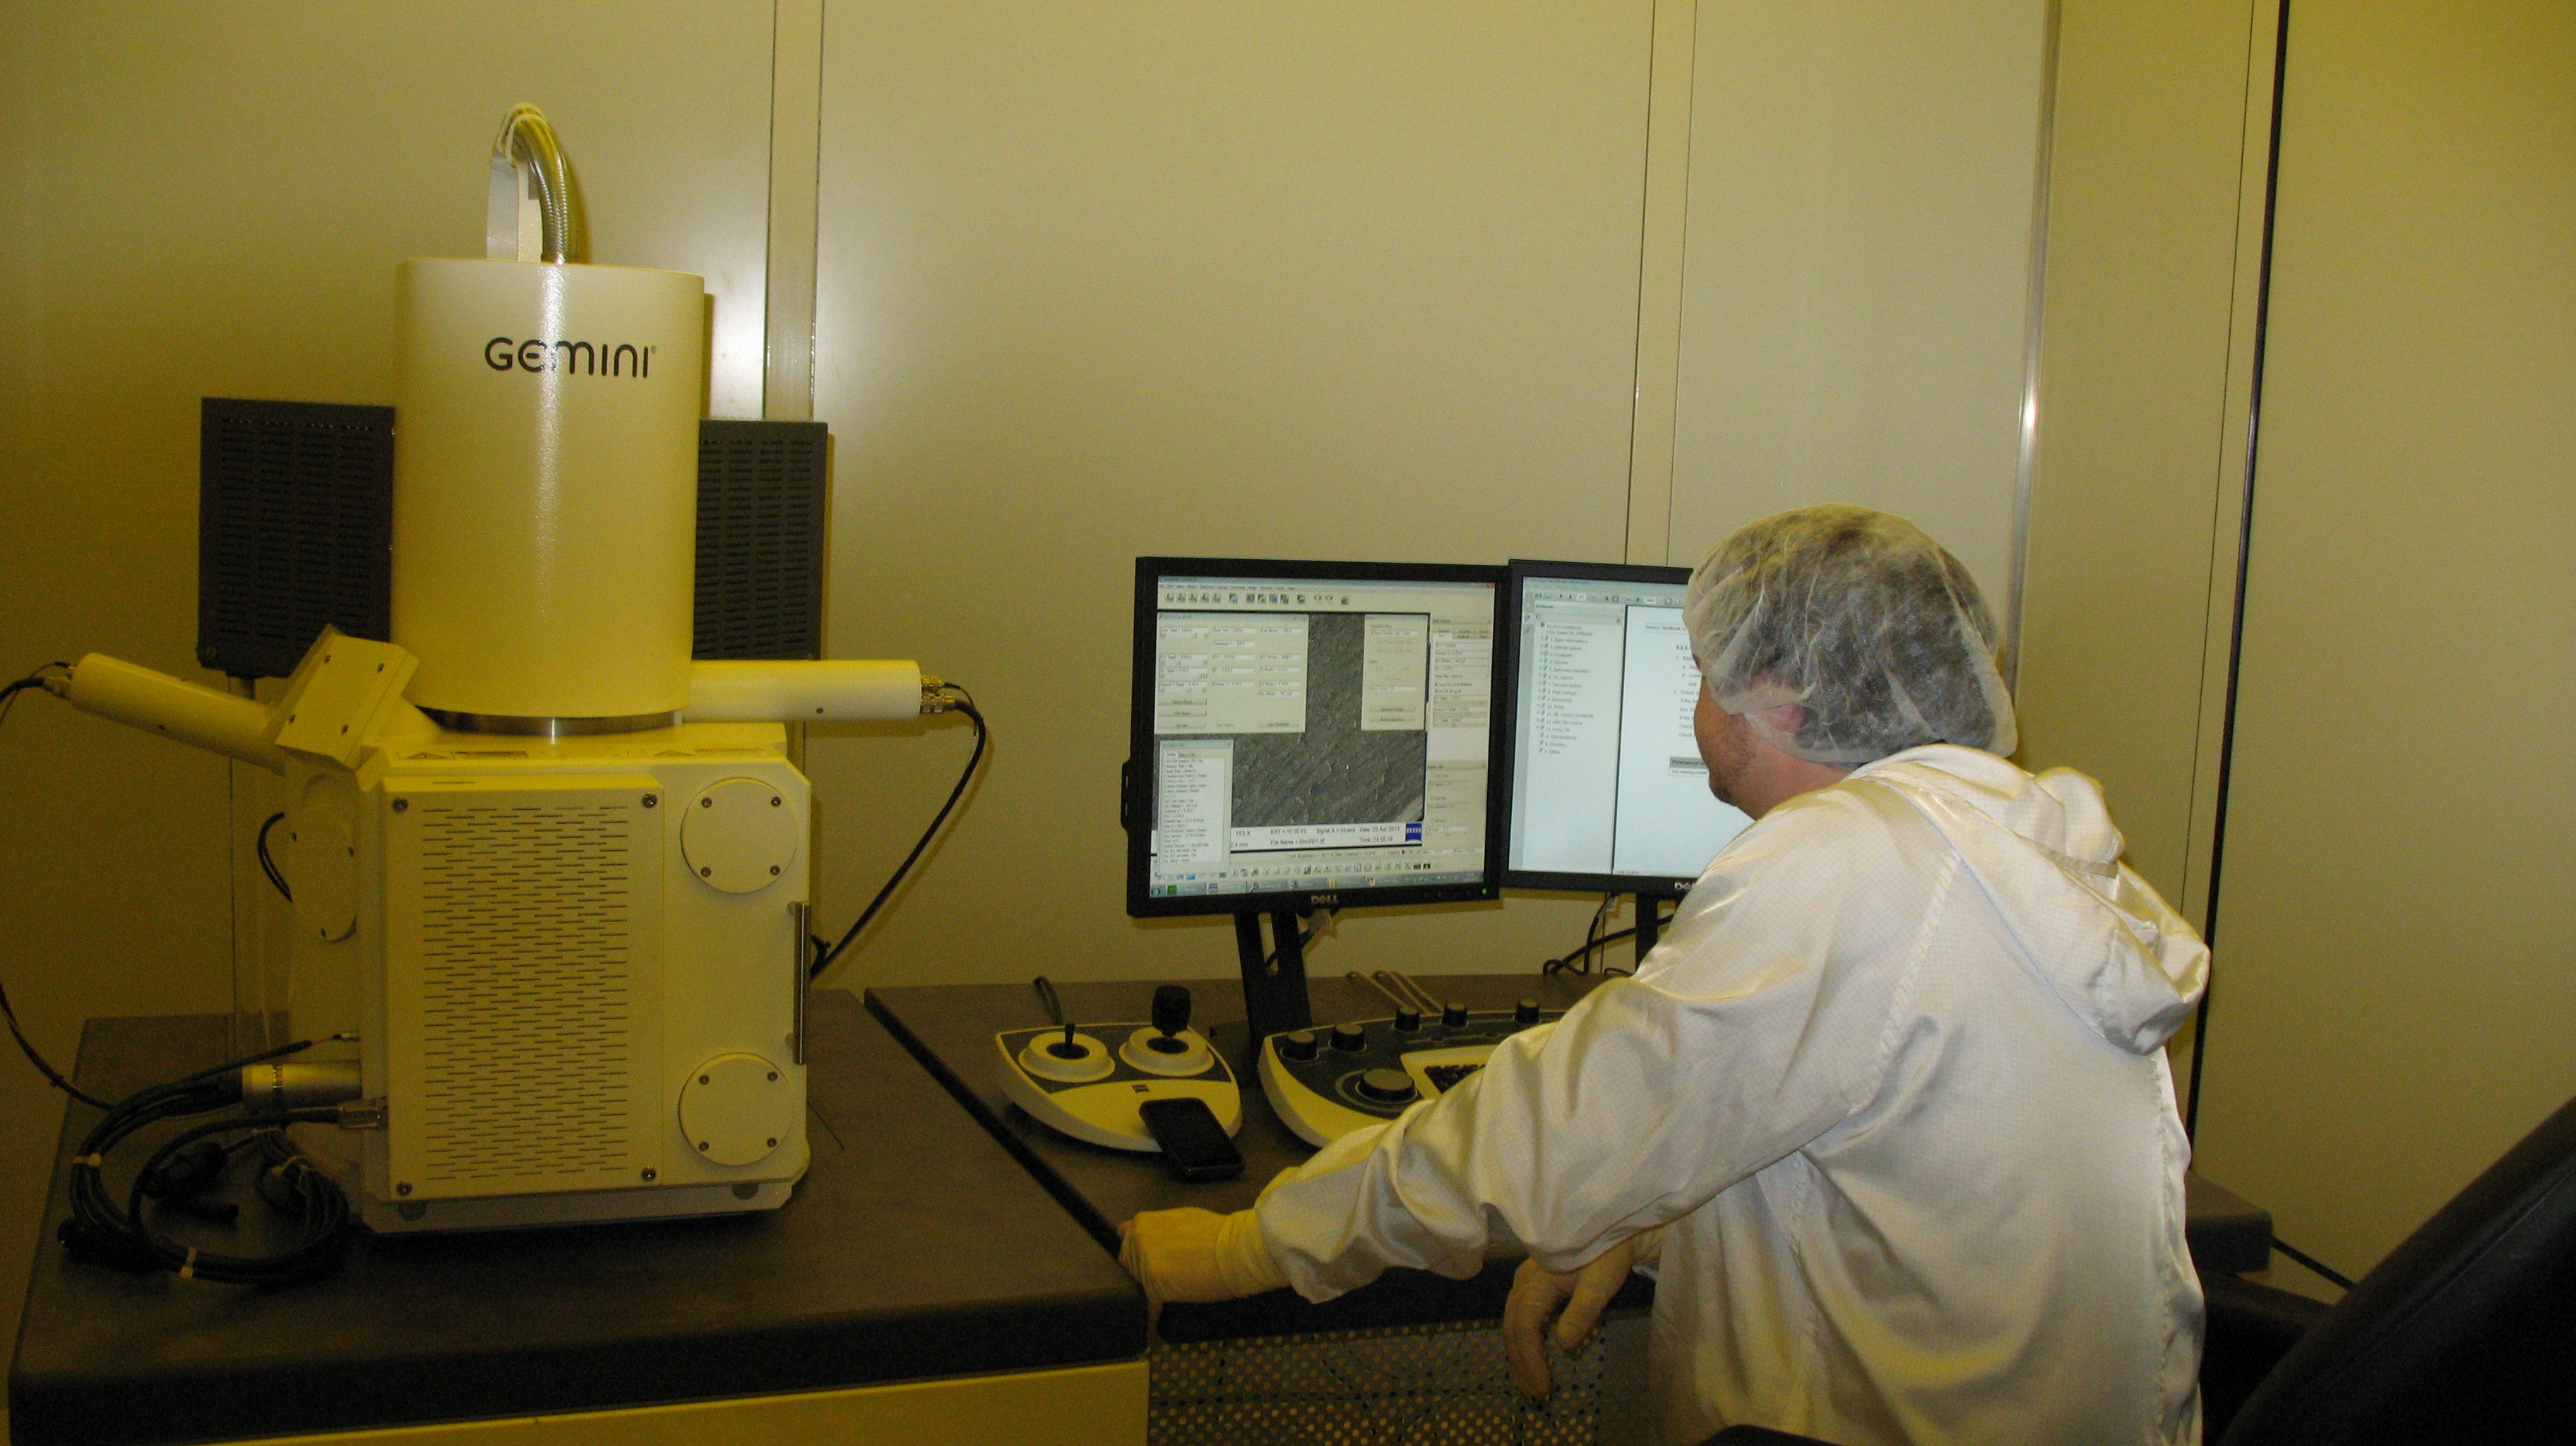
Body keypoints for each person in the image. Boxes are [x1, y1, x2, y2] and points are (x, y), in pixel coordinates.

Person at [1119, 505, 2210, 1446]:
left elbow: (1542, 1132)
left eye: (1705, 673)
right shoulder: (2004, 848)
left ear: (1778, 700)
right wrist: (1646, 1222)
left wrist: (1250, 1246)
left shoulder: (1847, 866)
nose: (1699, 703)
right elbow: (1902, 1158)